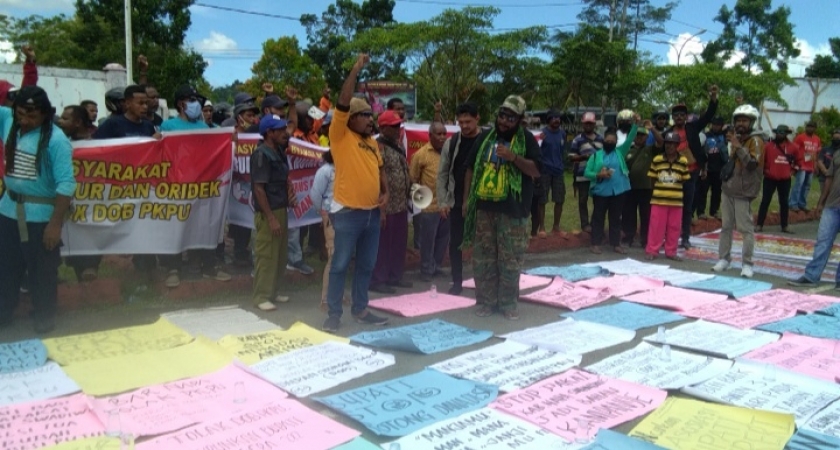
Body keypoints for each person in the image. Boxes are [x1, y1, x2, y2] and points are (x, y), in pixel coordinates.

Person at [322, 54, 390, 332]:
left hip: (372, 214)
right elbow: (343, 100)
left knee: (366, 265)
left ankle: (361, 309)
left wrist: (384, 194)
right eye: (364, 115)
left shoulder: (372, 144)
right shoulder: (340, 134)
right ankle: (334, 314)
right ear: (350, 118)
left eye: (370, 116)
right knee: (339, 265)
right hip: (348, 213)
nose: (369, 120)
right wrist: (355, 70)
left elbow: (380, 169)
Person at [0, 87, 76, 333]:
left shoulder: (56, 141)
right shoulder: (9, 121)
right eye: (21, 114)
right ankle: (3, 312)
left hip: (41, 217)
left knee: (42, 271)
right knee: (5, 267)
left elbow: (66, 184)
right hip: (8, 209)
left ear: (44, 114)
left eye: (31, 116)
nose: (25, 120)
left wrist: (55, 225)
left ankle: (44, 316)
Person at [463, 95, 541, 320]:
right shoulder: (486, 136)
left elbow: (536, 170)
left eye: (511, 118)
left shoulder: (527, 140)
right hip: (485, 209)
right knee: (484, 258)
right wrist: (467, 200)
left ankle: (507, 304)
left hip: (514, 212)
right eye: (502, 116)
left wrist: (513, 157)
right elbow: (469, 168)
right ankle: (487, 302)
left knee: (510, 260)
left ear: (519, 120)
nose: (505, 121)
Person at [159, 85, 232, 285]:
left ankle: (209, 266)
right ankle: (173, 268)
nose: (196, 105)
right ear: (181, 103)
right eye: (192, 100)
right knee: (177, 226)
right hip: (178, 185)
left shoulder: (204, 128)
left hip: (203, 185)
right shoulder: (168, 126)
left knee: (205, 224)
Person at [712, 104, 764, 278]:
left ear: (752, 123)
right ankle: (724, 259)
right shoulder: (736, 139)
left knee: (745, 228)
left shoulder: (755, 141)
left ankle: (747, 264)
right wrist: (733, 144)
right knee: (726, 226)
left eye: (745, 121)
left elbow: (751, 164)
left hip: (744, 191)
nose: (741, 124)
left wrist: (738, 146)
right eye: (739, 120)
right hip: (728, 189)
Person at [250, 114, 296, 311]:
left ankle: (273, 292)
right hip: (269, 212)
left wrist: (290, 192)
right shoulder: (261, 155)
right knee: (267, 255)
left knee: (280, 254)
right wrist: (270, 218)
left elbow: (283, 177)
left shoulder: (277, 151)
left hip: (280, 209)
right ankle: (261, 296)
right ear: (269, 132)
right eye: (280, 129)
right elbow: (259, 189)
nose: (285, 132)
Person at [666, 85, 719, 250]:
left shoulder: (693, 127)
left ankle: (686, 237)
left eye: (683, 114)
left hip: (691, 173)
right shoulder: (668, 132)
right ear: (673, 117)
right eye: (677, 115)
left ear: (686, 117)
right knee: (672, 205)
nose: (680, 117)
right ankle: (670, 236)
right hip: (674, 174)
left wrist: (713, 98)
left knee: (688, 207)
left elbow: (709, 115)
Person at [437, 102, 481, 295]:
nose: (464, 125)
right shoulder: (452, 142)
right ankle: (457, 282)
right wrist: (442, 201)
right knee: (455, 243)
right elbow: (442, 173)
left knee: (483, 244)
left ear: (478, 118)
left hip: (481, 202)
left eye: (468, 121)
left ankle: (484, 283)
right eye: (460, 122)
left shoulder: (486, 140)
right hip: (455, 201)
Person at [789, 136, 840, 289]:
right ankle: (811, 275)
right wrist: (820, 203)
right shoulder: (837, 154)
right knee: (823, 242)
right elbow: (829, 179)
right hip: (832, 205)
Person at [370, 109, 412, 294]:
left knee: (398, 243)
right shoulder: (377, 147)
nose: (397, 129)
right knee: (383, 245)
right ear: (383, 127)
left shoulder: (398, 145)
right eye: (393, 126)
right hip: (386, 204)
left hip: (401, 204)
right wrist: (381, 209)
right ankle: (379, 279)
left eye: (398, 125)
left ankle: (395, 276)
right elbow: (377, 176)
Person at [585, 118, 639, 254]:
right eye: (607, 140)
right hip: (601, 192)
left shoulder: (620, 152)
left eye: (612, 141)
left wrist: (636, 124)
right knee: (598, 218)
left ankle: (616, 244)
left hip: (618, 192)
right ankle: (595, 243)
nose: (609, 142)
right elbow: (587, 172)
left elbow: (630, 137)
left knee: (615, 218)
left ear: (616, 142)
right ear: (603, 141)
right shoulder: (596, 156)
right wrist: (598, 175)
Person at [310, 151, 349, 309]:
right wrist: (323, 213)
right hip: (331, 216)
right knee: (333, 257)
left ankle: (339, 294)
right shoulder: (325, 171)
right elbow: (315, 194)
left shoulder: (347, 168)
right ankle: (325, 298)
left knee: (343, 257)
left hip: (347, 215)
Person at [411, 122, 449, 282]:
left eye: (444, 134)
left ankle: (436, 266)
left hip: (446, 205)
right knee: (427, 240)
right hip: (428, 206)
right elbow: (413, 180)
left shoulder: (449, 152)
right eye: (438, 134)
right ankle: (426, 269)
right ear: (430, 136)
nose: (442, 137)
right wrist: (422, 202)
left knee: (443, 238)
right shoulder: (420, 155)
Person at [645, 132, 691, 260]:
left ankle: (671, 252)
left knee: (674, 228)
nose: (669, 146)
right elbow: (652, 179)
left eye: (672, 144)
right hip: (659, 200)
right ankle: (652, 251)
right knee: (656, 227)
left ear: (677, 145)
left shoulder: (683, 161)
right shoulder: (657, 159)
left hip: (676, 201)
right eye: (667, 143)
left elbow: (684, 179)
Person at [757, 125, 800, 233]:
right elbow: (761, 161)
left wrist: (792, 171)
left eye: (782, 132)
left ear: (786, 133)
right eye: (778, 132)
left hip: (785, 179)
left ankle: (784, 226)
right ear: (776, 133)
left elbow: (799, 162)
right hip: (770, 178)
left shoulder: (793, 147)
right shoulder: (768, 146)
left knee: (784, 202)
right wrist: (765, 171)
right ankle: (759, 225)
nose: (780, 134)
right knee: (765, 201)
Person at [622, 129, 658, 248]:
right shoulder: (627, 149)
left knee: (646, 214)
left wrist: (652, 128)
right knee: (629, 213)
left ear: (647, 137)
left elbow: (661, 142)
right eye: (637, 135)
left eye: (642, 135)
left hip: (646, 187)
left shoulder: (651, 149)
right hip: (629, 187)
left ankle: (645, 239)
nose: (639, 137)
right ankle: (629, 237)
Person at [569, 112, 603, 233]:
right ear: (583, 124)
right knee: (582, 200)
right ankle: (585, 224)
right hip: (582, 175)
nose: (588, 125)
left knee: (598, 200)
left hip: (597, 176)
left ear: (594, 124)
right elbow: (571, 157)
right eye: (586, 123)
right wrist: (583, 157)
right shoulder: (577, 139)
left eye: (590, 123)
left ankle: (595, 223)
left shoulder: (600, 139)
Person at [537, 109, 567, 236]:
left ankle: (556, 227)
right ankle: (542, 228)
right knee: (542, 200)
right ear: (548, 120)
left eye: (558, 117)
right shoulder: (542, 134)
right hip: (544, 171)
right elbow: (536, 152)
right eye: (554, 118)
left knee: (559, 199)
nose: (557, 120)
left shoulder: (563, 134)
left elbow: (562, 150)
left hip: (558, 170)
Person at [695, 117, 727, 219]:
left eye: (718, 125)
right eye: (714, 124)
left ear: (721, 126)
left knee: (717, 192)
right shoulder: (705, 135)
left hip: (719, 169)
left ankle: (714, 211)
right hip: (707, 168)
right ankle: (701, 212)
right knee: (703, 191)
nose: (716, 127)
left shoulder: (725, 136)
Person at [790, 120, 822, 212]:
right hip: (802, 165)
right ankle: (793, 203)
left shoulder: (817, 139)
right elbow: (794, 150)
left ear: (815, 128)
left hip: (811, 166)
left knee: (807, 185)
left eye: (812, 126)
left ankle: (802, 204)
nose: (810, 128)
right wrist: (796, 162)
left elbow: (817, 153)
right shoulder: (800, 137)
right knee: (799, 184)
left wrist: (815, 165)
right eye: (808, 126)